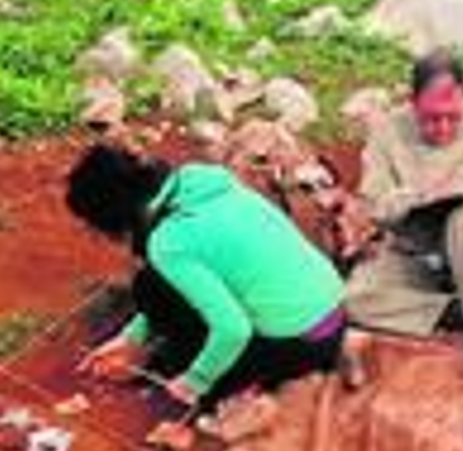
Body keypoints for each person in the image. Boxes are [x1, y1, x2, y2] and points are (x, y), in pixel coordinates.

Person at [67, 143, 347, 414]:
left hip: (299, 345)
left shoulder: (168, 241)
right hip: (336, 311)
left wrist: (195, 381)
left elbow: (233, 328)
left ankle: (232, 379)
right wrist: (128, 338)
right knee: (156, 284)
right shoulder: (202, 181)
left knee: (150, 290)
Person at [346, 48, 463, 396]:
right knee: (350, 302)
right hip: (413, 252)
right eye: (431, 119)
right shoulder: (388, 133)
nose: (443, 128)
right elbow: (372, 205)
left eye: (453, 117)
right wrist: (411, 198)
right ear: (412, 103)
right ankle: (457, 313)